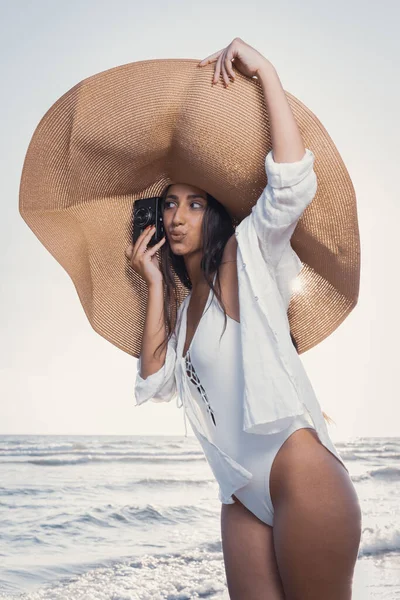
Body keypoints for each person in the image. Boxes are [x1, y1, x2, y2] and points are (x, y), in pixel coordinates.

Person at [125, 38, 362, 600]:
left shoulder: (245, 258)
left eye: (195, 203)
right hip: (239, 496)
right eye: (169, 204)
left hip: (299, 476)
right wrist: (156, 284)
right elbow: (153, 381)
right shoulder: (183, 316)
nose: (178, 215)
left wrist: (266, 72)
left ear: (217, 215)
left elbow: (290, 186)